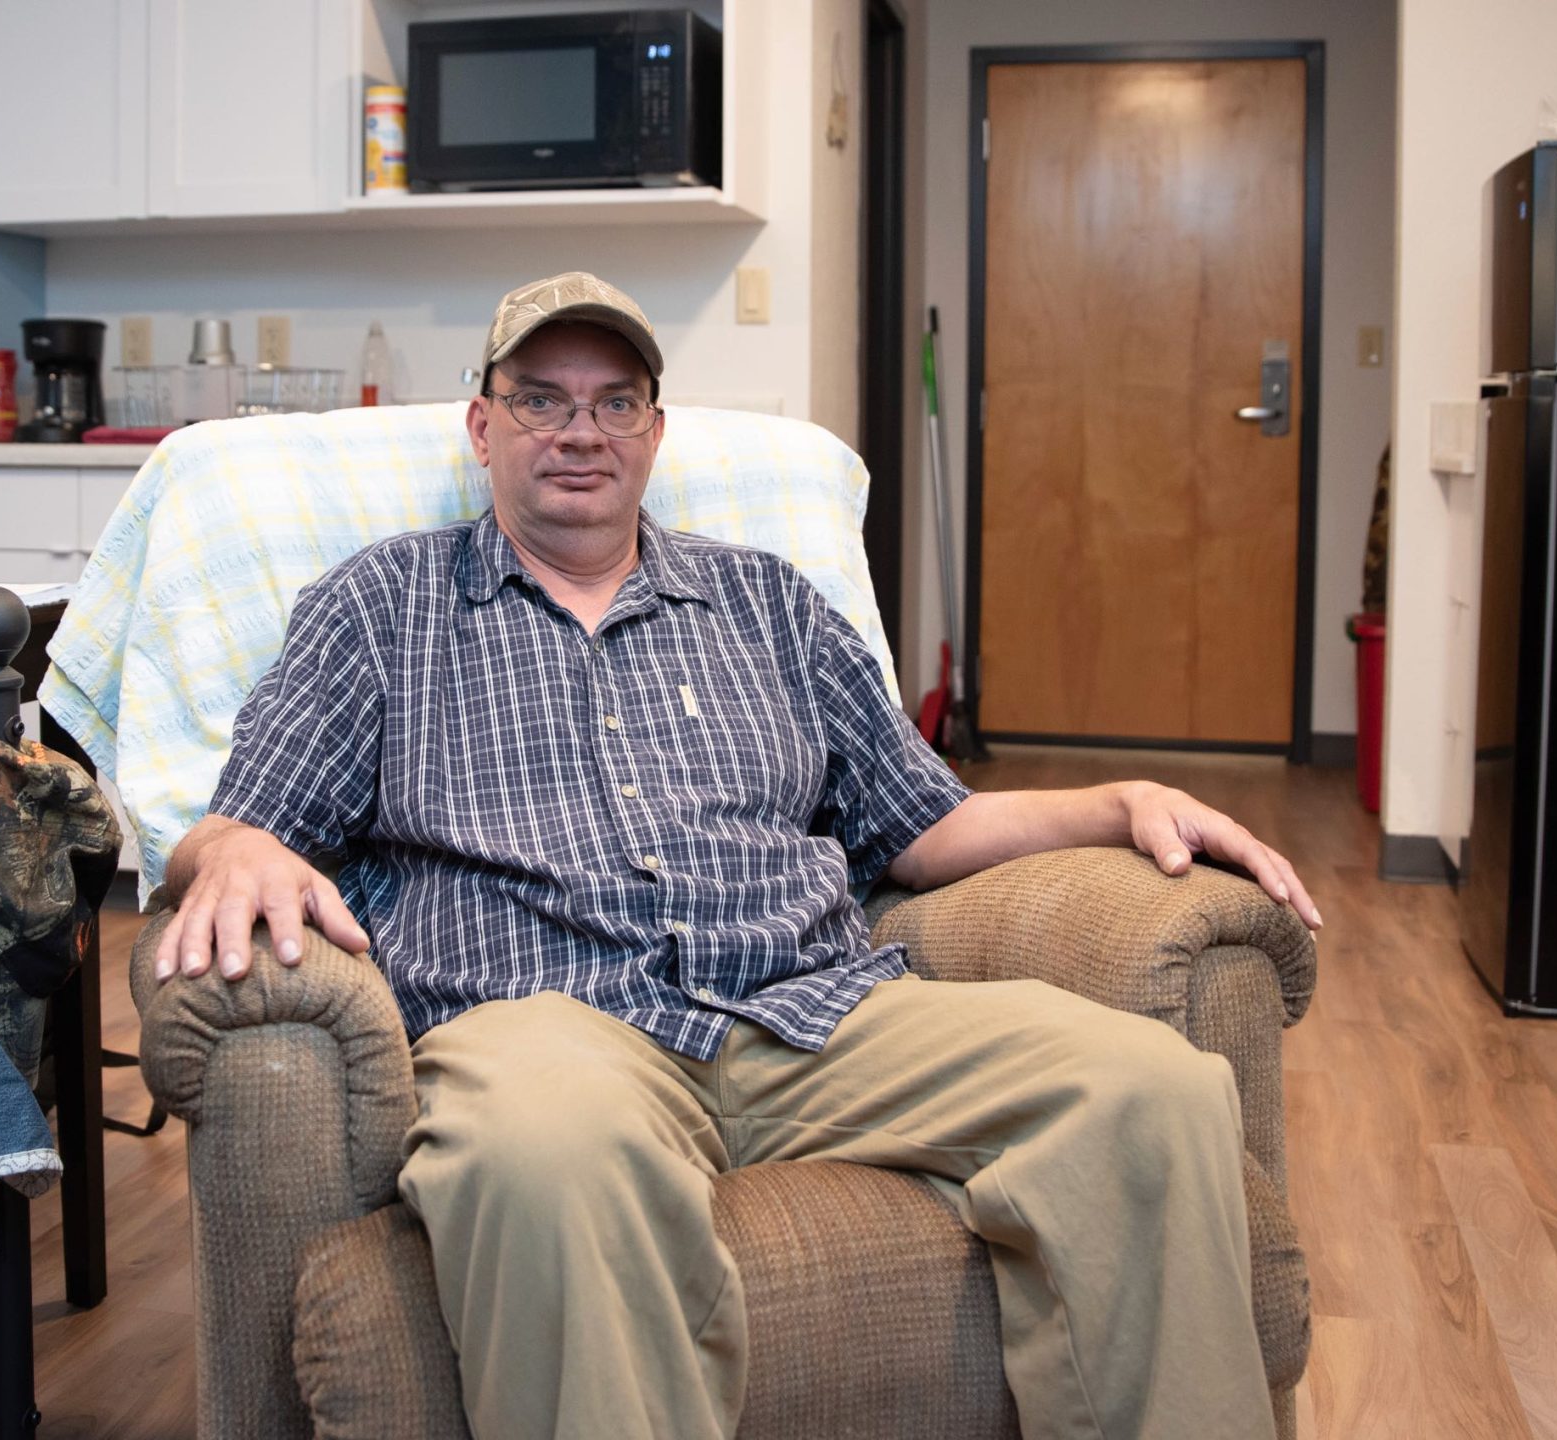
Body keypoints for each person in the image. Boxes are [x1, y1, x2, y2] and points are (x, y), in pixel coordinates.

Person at [149, 272, 1323, 1440]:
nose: (579, 434)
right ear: (481, 422)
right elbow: (240, 832)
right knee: (545, 1153)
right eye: (540, 400)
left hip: (818, 1012)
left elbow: (922, 829)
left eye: (615, 404)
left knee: (1151, 1088)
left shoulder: (765, 601)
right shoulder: (378, 606)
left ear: (654, 432)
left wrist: (1117, 800)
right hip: (547, 1020)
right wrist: (226, 846)